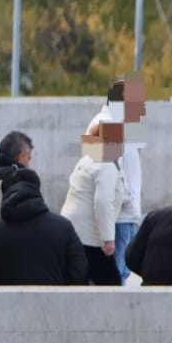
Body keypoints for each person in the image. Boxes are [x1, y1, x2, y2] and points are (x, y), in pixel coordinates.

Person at [0, 169, 86, 286]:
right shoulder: (63, 226)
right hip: (54, 301)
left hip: (7, 302)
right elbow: (78, 270)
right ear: (37, 189)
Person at [59, 119, 129, 286]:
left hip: (73, 231)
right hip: (90, 237)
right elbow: (103, 202)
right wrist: (108, 239)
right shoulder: (105, 163)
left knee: (78, 282)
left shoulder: (88, 160)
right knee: (111, 284)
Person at [94, 77, 147, 283]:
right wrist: (128, 198)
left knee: (118, 271)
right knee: (117, 273)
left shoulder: (120, 126)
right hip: (121, 216)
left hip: (123, 213)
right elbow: (110, 170)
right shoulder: (110, 127)